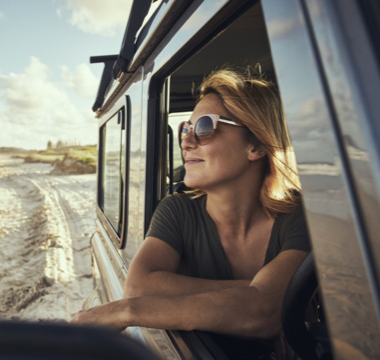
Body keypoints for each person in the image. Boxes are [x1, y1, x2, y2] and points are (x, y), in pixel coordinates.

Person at [72, 69, 311, 358]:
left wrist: (127, 311)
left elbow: (265, 313)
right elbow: (138, 287)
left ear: (257, 144)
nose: (186, 142)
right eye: (186, 128)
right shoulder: (178, 210)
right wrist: (256, 291)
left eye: (205, 127)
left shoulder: (301, 216)